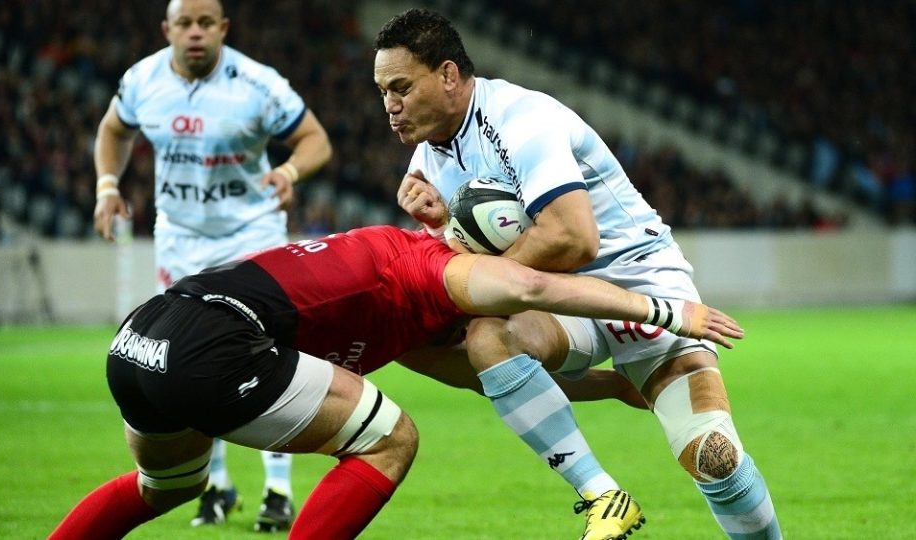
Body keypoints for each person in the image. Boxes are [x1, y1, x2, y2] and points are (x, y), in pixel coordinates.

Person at [49, 224, 742, 540]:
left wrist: (615, 386)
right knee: (391, 441)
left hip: (141, 339)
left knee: (168, 485)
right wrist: (667, 310)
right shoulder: (427, 264)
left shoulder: (407, 332)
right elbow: (530, 285)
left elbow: (490, 379)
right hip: (214, 344)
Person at [374, 8, 781, 540]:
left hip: (635, 280)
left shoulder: (522, 119)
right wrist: (443, 227)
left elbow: (572, 238)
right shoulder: (426, 162)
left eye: (401, 88)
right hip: (560, 305)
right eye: (382, 92)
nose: (390, 107)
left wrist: (473, 272)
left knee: (713, 457)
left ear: (448, 75)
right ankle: (602, 495)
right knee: (483, 341)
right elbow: (473, 249)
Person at [91, 0, 332, 531]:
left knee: (269, 353)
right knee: (187, 357)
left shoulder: (259, 83)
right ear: (167, 29)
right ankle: (217, 487)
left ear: (223, 28)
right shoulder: (142, 79)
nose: (195, 33)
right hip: (179, 239)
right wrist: (108, 185)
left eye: (206, 23)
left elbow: (315, 139)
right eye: (185, 23)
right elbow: (113, 130)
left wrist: (290, 170)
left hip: (251, 234)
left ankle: (278, 490)